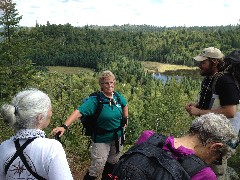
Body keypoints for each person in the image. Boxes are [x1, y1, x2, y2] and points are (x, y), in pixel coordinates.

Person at [51, 70, 128, 180]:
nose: (110, 85)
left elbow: (125, 105)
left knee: (113, 163)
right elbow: (79, 112)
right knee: (97, 167)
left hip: (117, 137)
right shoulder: (95, 100)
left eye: (112, 82)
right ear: (101, 85)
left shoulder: (117, 97)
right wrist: (64, 126)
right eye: (106, 83)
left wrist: (125, 120)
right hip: (101, 139)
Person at [185, 47, 240, 179]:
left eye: (203, 62)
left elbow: (230, 111)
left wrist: (199, 112)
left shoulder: (226, 82)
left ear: (214, 62)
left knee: (214, 172)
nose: (199, 65)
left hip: (220, 137)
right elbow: (213, 101)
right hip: (208, 133)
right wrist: (197, 105)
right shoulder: (210, 78)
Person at [132, 113, 238, 180]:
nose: (212, 162)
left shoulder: (149, 137)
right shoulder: (205, 175)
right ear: (215, 147)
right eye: (217, 159)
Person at [0, 88, 73, 180]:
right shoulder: (52, 147)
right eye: (50, 109)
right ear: (40, 117)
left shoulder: (3, 147)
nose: (51, 113)